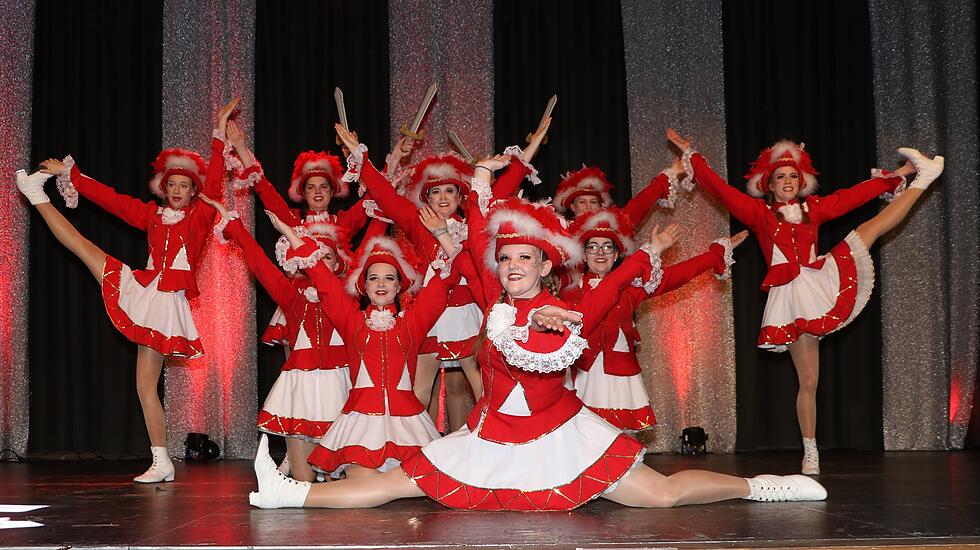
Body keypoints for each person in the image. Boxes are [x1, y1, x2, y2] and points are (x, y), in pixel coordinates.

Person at [246, 153, 827, 509]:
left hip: (561, 439)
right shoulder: (491, 298)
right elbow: (474, 243)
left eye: (525, 259)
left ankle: (763, 486)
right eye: (507, 259)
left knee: (662, 496)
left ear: (547, 267)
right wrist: (477, 184)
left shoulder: (570, 309)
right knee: (399, 481)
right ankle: (292, 494)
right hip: (491, 437)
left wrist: (646, 254)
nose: (513, 265)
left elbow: (609, 289)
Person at [666, 128, 944, 474]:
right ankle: (810, 450)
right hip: (791, 297)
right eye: (780, 176)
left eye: (793, 176)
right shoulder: (759, 214)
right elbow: (721, 191)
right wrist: (694, 157)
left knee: (869, 230)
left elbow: (853, 196)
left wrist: (900, 175)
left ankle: (923, 179)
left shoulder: (814, 208)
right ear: (769, 184)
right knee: (809, 381)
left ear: (802, 182)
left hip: (819, 280)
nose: (787, 181)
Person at [17, 99, 238, 482]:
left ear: (193, 193)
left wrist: (219, 129)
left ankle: (162, 460)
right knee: (85, 249)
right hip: (144, 288)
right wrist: (75, 177)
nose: (177, 191)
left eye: (185, 186)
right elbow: (114, 202)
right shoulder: (153, 216)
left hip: (165, 302)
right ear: (164, 188)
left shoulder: (200, 218)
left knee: (144, 386)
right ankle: (36, 192)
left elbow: (216, 180)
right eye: (172, 185)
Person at [335, 119, 548, 432]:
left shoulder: (477, 218)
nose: (444, 198)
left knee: (479, 384)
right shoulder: (417, 221)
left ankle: (481, 443)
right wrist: (358, 154)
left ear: (460, 195)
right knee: (420, 387)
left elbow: (505, 183)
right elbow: (384, 195)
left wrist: (531, 146)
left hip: (471, 312)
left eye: (450, 191)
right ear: (426, 198)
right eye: (436, 192)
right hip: (433, 312)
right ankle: (416, 449)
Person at [264, 206, 460, 479]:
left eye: (389, 278)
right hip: (360, 424)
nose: (381, 284)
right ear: (364, 286)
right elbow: (322, 276)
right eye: (373, 278)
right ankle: (299, 493)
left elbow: (447, 276)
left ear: (398, 287)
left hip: (409, 426)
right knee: (366, 485)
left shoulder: (413, 322)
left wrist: (442, 234)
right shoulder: (351, 320)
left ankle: (297, 492)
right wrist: (289, 233)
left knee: (404, 488)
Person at [201, 194, 356, 482]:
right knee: (302, 478)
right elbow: (259, 264)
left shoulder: (347, 299)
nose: (318, 262)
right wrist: (233, 225)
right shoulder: (290, 294)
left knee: (344, 473)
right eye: (314, 256)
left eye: (327, 257)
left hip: (341, 385)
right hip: (299, 388)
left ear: (338, 265)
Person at [562, 208, 748, 431]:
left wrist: (716, 254)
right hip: (584, 373)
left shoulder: (633, 287)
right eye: (592, 247)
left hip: (620, 372)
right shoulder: (570, 290)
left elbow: (680, 274)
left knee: (620, 438)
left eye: (607, 247)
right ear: (583, 255)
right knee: (584, 434)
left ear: (615, 255)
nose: (600, 252)